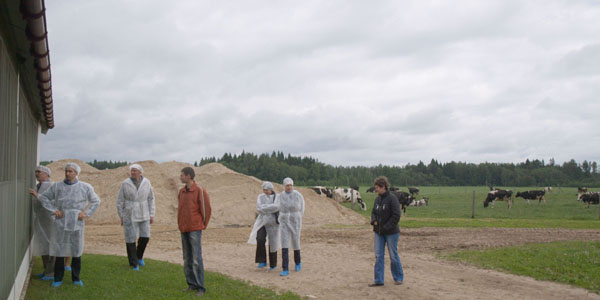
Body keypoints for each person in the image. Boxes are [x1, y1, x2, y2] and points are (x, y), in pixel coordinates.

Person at [38, 162, 101, 287]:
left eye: (70, 171)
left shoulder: (85, 187)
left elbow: (96, 201)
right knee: (59, 249)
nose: (67, 173)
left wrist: (86, 213)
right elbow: (44, 197)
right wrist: (54, 210)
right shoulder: (57, 186)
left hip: (76, 221)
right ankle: (58, 278)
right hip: (61, 221)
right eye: (66, 171)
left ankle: (76, 278)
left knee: (76, 249)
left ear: (76, 173)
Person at [178, 167, 211, 296]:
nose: (180, 177)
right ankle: (191, 284)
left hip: (195, 228)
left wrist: (203, 224)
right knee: (187, 258)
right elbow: (180, 209)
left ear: (188, 176)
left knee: (196, 258)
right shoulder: (181, 191)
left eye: (181, 175)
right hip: (184, 228)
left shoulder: (199, 190)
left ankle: (201, 287)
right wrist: (180, 224)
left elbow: (206, 209)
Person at [117, 163, 156, 270]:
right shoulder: (125, 183)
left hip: (144, 211)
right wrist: (121, 215)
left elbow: (151, 199)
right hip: (129, 212)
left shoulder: (146, 182)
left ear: (140, 172)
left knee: (145, 236)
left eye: (135, 170)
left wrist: (151, 214)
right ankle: (133, 262)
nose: (133, 172)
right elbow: (120, 200)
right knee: (130, 237)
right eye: (132, 170)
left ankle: (139, 256)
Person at [368, 176, 404, 287]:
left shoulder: (392, 199)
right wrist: (373, 220)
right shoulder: (377, 199)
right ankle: (378, 280)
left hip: (391, 233)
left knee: (393, 255)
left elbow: (396, 215)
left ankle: (398, 278)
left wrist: (386, 227)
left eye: (377, 187)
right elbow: (374, 212)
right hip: (378, 233)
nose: (376, 190)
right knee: (379, 256)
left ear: (383, 187)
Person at [29, 165, 55, 280]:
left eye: (39, 172)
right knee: (44, 244)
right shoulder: (39, 185)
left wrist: (36, 195)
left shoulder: (50, 186)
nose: (36, 174)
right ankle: (46, 271)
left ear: (47, 174)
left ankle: (51, 273)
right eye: (36, 172)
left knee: (50, 244)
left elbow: (51, 202)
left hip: (49, 220)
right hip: (42, 219)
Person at [247, 182, 280, 270]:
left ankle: (273, 264)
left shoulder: (277, 197)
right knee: (260, 238)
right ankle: (262, 261)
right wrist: (269, 208)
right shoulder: (260, 197)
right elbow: (259, 208)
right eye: (264, 190)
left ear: (271, 189)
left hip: (273, 222)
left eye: (267, 190)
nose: (266, 192)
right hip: (262, 221)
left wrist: (265, 207)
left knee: (273, 242)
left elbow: (277, 207)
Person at [277, 177, 304, 276]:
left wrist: (297, 217)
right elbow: (277, 206)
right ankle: (285, 268)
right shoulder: (280, 196)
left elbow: (302, 207)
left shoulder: (297, 195)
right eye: (287, 185)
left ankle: (298, 262)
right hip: (284, 220)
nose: (289, 187)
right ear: (284, 186)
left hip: (295, 220)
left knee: (296, 241)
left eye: (290, 185)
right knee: (284, 242)